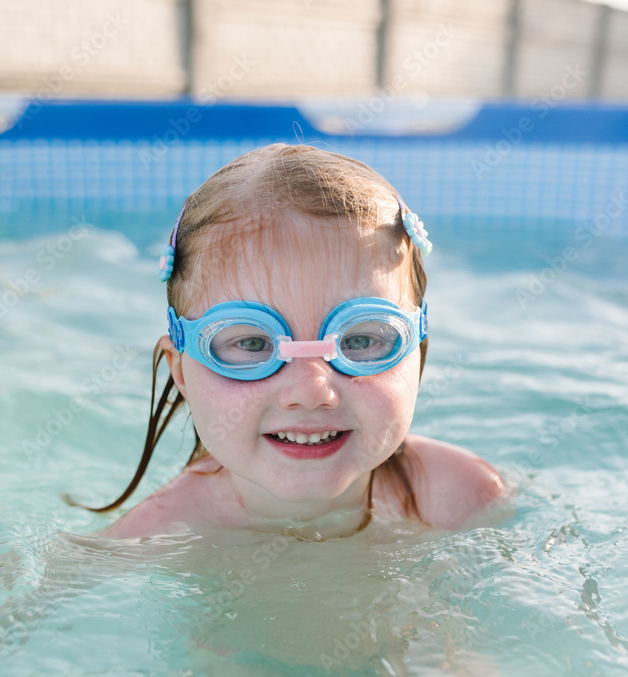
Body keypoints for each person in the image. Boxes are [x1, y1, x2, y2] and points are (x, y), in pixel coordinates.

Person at [85, 143, 506, 540]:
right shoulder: (155, 537)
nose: (310, 392)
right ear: (181, 371)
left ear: (418, 350)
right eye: (253, 345)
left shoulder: (466, 497)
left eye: (360, 339)